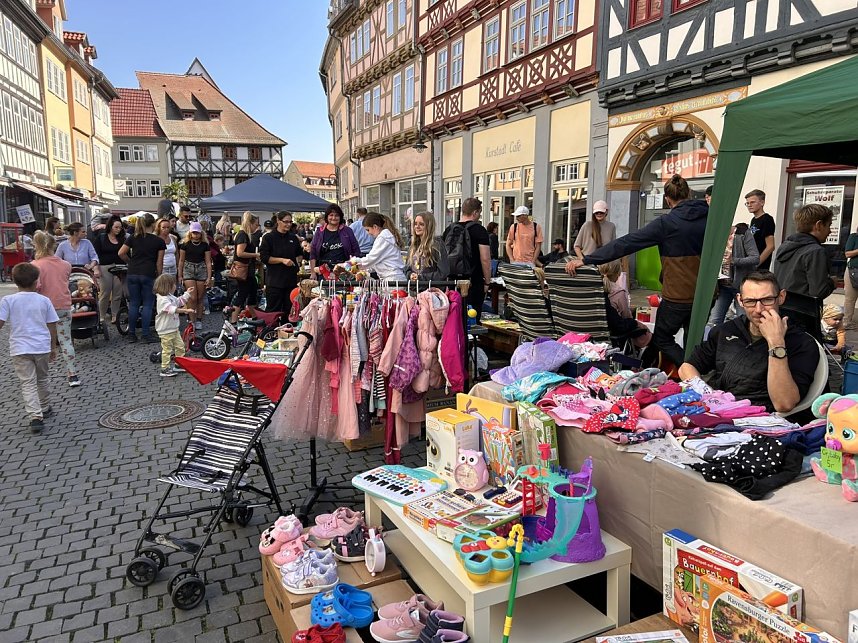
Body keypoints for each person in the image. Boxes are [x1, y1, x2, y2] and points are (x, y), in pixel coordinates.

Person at [565, 175, 708, 368]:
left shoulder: (666, 223)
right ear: (689, 194)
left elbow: (626, 244)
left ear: (667, 199)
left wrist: (587, 259)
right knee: (694, 340)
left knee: (663, 338)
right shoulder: (709, 216)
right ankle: (692, 373)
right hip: (706, 293)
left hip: (678, 293)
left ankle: (694, 370)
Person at [679, 271, 820, 415]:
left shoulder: (802, 343)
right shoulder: (726, 330)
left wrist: (776, 343)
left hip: (759, 418)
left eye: (767, 300)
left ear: (781, 297)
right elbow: (687, 367)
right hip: (715, 411)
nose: (759, 309)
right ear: (740, 300)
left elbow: (784, 403)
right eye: (750, 301)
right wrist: (709, 396)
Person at [0, 262, 58, 433]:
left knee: (27, 383)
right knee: (42, 379)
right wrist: (53, 346)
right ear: (36, 282)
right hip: (41, 346)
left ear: (14, 280)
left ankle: (35, 416)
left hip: (19, 347)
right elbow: (52, 325)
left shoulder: (8, 300)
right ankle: (45, 406)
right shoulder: (44, 300)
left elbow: (1, 322)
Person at [772, 203, 835, 337]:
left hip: (781, 310)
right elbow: (818, 291)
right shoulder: (816, 251)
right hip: (804, 315)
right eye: (829, 225)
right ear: (818, 225)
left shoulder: (785, 246)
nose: (830, 231)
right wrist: (832, 283)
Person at [32, 231, 78, 386]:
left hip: (44, 309)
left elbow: (36, 287)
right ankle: (72, 374)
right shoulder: (66, 265)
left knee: (43, 342)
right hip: (63, 306)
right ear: (54, 245)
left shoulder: (35, 266)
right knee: (66, 341)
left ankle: (42, 376)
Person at [119, 213, 166, 344]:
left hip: (133, 272)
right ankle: (145, 334)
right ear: (153, 225)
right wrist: (159, 276)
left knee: (133, 303)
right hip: (148, 273)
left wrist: (130, 262)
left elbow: (121, 253)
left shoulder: (133, 237)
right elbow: (159, 263)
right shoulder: (159, 241)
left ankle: (131, 333)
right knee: (147, 304)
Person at [443, 197, 491, 322]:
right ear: (475, 212)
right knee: (472, 318)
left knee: (453, 318)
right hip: (473, 281)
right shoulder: (479, 230)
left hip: (451, 282)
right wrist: (487, 282)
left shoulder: (449, 230)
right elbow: (485, 259)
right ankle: (470, 341)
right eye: (479, 213)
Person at [708, 222, 759, 326]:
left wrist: (734, 261)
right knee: (714, 321)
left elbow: (755, 258)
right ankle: (715, 341)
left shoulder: (743, 233)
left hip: (741, 286)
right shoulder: (713, 235)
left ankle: (741, 341)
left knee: (743, 321)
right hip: (722, 286)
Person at [599, 260, 651, 348]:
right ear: (618, 274)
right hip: (615, 333)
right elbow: (626, 317)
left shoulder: (594, 289)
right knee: (644, 330)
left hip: (598, 332)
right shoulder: (618, 292)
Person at [259, 211, 302, 315]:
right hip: (275, 282)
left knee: (290, 312)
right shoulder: (268, 238)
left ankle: (287, 330)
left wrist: (299, 262)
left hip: (290, 282)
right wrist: (282, 260)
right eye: (285, 222)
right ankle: (272, 331)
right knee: (273, 312)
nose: (288, 224)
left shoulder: (293, 238)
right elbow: (264, 257)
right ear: (278, 221)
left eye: (290, 222)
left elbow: (299, 254)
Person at [153, 274, 195, 377]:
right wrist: (186, 310)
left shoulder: (169, 297)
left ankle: (179, 364)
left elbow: (178, 302)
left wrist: (187, 294)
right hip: (165, 329)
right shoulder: (162, 300)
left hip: (173, 328)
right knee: (167, 350)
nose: (175, 286)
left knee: (180, 347)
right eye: (173, 285)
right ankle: (165, 368)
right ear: (167, 286)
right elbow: (173, 309)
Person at [349, 213, 407, 282]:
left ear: (375, 227)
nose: (368, 233)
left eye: (368, 230)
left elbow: (371, 259)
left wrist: (353, 262)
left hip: (393, 278)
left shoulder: (383, 238)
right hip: (392, 278)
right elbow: (376, 262)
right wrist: (362, 269)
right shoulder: (385, 237)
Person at [178, 222, 212, 330]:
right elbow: (181, 261)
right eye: (194, 232)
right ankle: (191, 320)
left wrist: (209, 276)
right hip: (188, 269)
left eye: (197, 232)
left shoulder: (205, 245)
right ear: (190, 233)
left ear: (201, 233)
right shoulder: (185, 244)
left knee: (199, 297)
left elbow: (208, 262)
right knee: (192, 297)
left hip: (201, 269)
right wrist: (180, 275)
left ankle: (198, 319)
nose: (196, 235)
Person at [94, 215, 128, 325]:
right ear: (110, 227)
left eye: (120, 227)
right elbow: (96, 254)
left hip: (120, 267)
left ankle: (115, 315)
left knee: (117, 293)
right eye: (116, 227)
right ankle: (101, 316)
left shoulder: (123, 239)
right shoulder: (102, 238)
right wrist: (96, 268)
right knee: (105, 292)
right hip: (105, 267)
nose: (118, 230)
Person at [310, 204, 362, 274]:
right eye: (331, 215)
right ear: (327, 217)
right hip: (323, 271)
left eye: (337, 215)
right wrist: (313, 273)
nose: (334, 218)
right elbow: (313, 253)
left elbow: (356, 251)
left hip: (343, 270)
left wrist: (351, 269)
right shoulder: (320, 231)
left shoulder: (347, 231)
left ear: (340, 217)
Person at [231, 212, 260, 323]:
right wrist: (255, 255)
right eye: (256, 225)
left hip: (248, 270)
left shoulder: (244, 234)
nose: (257, 227)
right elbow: (240, 253)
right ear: (250, 224)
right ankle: (233, 321)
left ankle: (254, 317)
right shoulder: (243, 235)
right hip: (244, 270)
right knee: (242, 294)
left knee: (252, 291)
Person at [406, 212, 450, 281]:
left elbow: (443, 272)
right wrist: (410, 275)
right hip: (414, 289)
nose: (417, 227)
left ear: (429, 226)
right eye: (415, 224)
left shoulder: (437, 245)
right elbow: (407, 269)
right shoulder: (413, 246)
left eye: (421, 224)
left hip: (432, 289)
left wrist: (421, 277)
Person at [746, 189, 775, 270]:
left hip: (760, 266)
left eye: (752, 202)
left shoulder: (767, 219)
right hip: (751, 261)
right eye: (747, 203)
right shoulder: (753, 220)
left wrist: (757, 263)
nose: (749, 205)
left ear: (762, 202)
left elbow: (770, 246)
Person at [844, 224, 858, 329]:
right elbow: (847, 253)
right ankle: (846, 322)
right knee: (850, 298)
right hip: (853, 271)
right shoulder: (854, 237)